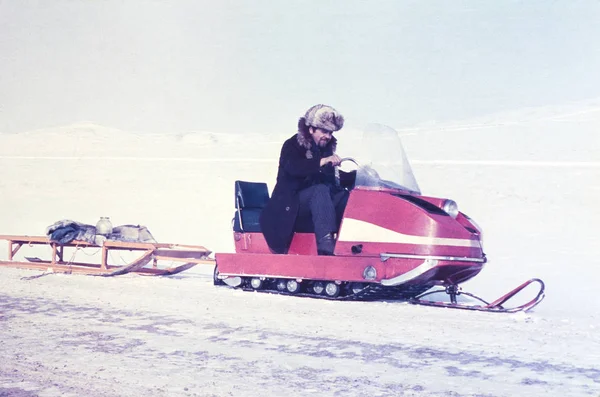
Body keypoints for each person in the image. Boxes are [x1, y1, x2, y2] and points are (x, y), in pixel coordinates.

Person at [259, 104, 356, 255]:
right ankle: (326, 245)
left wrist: (358, 176)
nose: (328, 136)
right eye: (324, 131)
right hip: (289, 207)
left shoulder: (324, 149)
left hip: (313, 208)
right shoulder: (292, 145)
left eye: (330, 133)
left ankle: (354, 243)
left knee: (345, 196)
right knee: (320, 190)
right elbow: (294, 167)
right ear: (311, 129)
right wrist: (321, 162)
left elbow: (330, 176)